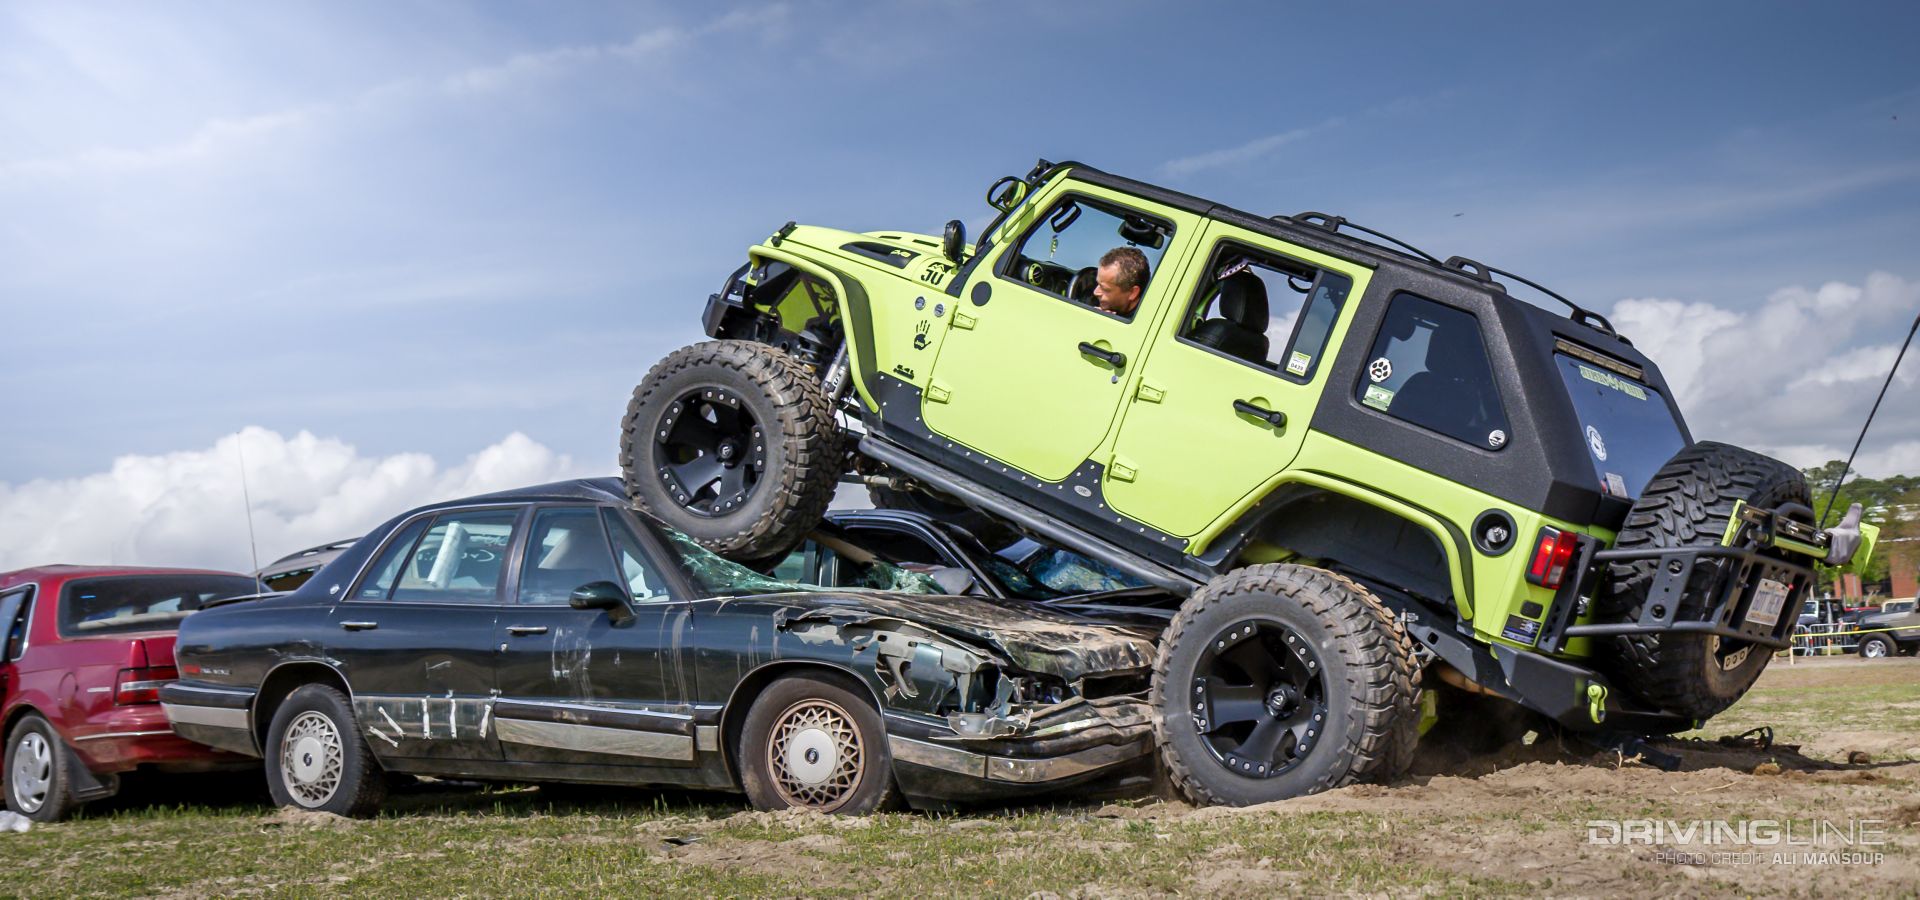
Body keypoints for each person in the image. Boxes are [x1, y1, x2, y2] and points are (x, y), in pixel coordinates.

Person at [1092, 246, 1150, 316]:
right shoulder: (1089, 299)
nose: (1095, 292)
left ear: (1133, 292)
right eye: (1098, 284)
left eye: (1105, 289)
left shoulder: (1144, 319)